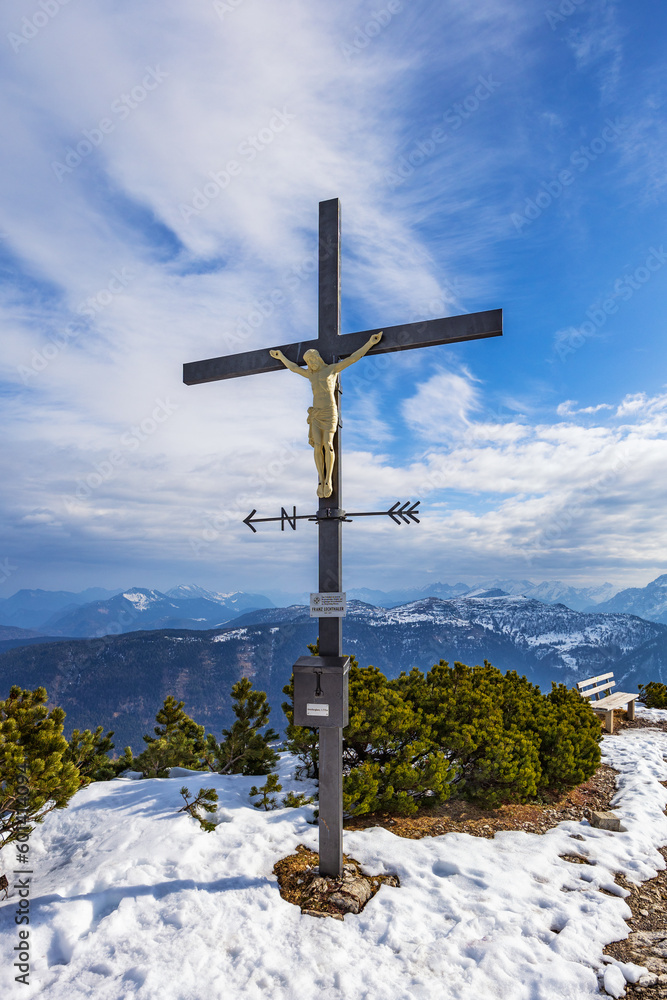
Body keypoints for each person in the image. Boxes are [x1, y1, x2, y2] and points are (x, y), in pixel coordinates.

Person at [270, 331, 382, 497]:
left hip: (329, 412)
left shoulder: (332, 370)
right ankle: (320, 480)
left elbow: (352, 358)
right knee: (317, 445)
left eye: (312, 361)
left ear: (317, 358)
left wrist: (370, 343)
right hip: (316, 413)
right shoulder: (310, 375)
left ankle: (328, 479)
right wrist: (281, 357)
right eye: (308, 362)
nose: (310, 364)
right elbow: (294, 368)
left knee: (327, 444)